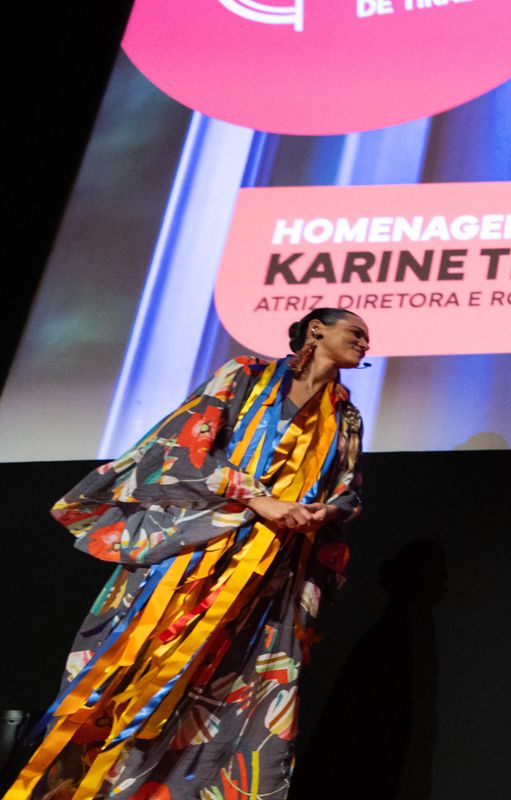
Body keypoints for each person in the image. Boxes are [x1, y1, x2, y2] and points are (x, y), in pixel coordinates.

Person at [9, 308, 367, 799]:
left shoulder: (346, 414)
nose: (365, 343)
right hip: (197, 552)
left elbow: (349, 488)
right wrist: (257, 498)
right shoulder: (247, 375)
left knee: (244, 686)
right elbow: (185, 446)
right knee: (138, 669)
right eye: (356, 332)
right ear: (317, 329)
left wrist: (322, 512)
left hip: (271, 574)